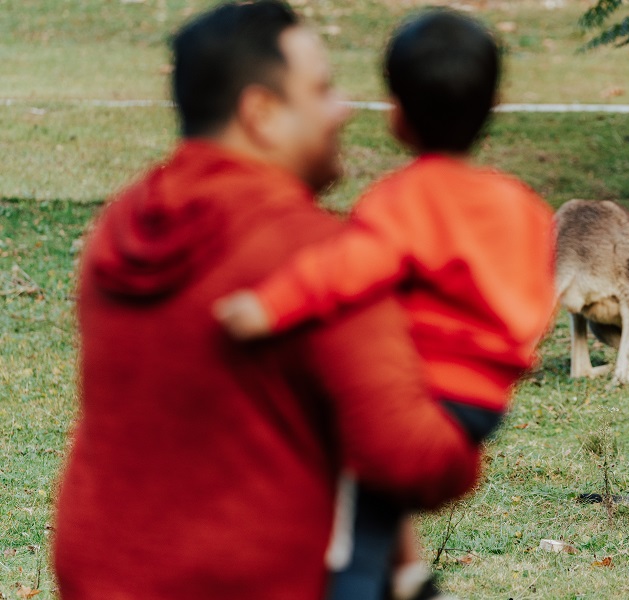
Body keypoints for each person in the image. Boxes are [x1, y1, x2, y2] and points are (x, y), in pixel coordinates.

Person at [51, 3, 479, 599]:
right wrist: (479, 390)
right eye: (323, 90)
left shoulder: (120, 224)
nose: (343, 110)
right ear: (261, 113)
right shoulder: (315, 258)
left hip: (103, 573)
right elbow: (413, 462)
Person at [212, 8, 556, 600]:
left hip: (420, 393)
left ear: (395, 114)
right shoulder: (522, 207)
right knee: (378, 495)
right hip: (486, 402)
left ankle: (373, 581)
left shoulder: (398, 203)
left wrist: (265, 309)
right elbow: (534, 300)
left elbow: (345, 271)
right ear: (493, 106)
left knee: (349, 520)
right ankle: (409, 577)